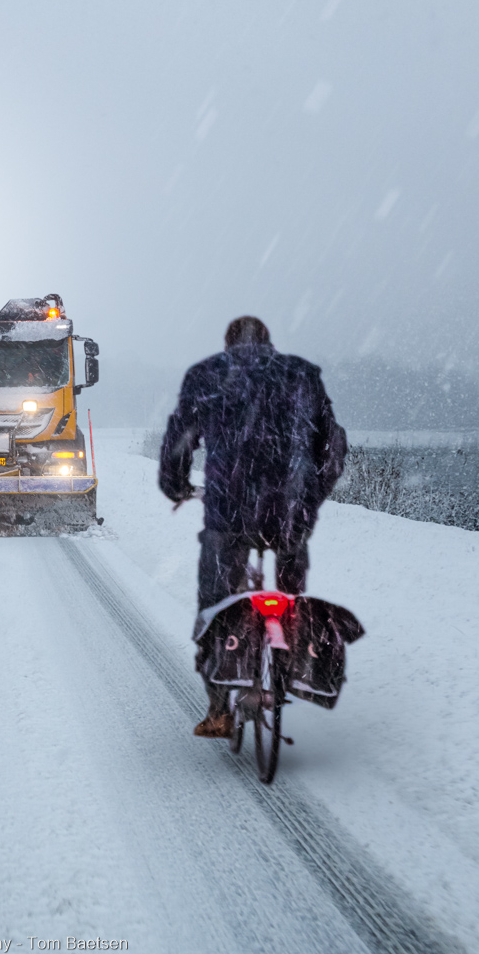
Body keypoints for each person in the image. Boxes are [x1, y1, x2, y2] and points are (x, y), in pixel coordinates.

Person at [158, 316, 347, 738]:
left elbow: (180, 440)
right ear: (269, 343)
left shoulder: (206, 375)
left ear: (229, 344)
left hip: (230, 510)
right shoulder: (301, 374)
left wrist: (176, 486)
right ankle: (292, 656)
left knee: (215, 602)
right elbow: (332, 446)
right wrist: (309, 496)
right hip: (289, 511)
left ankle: (218, 709)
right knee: (291, 592)